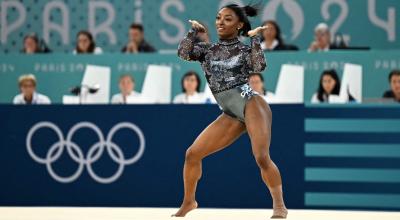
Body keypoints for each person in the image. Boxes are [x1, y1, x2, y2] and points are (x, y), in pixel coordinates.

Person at [173, 4, 287, 219]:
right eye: (218, 18)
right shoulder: (207, 50)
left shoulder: (244, 50)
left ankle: (279, 205)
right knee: (192, 154)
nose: (220, 22)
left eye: (227, 19)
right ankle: (189, 201)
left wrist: (254, 39)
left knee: (262, 157)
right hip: (231, 113)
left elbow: (259, 66)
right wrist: (193, 32)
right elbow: (183, 53)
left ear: (240, 25)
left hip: (251, 104)